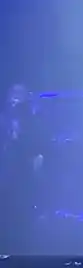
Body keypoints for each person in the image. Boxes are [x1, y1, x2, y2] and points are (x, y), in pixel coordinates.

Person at [0, 84, 44, 253]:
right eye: (14, 93)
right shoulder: (4, 117)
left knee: (22, 205)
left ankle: (23, 241)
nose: (16, 97)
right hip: (6, 166)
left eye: (20, 93)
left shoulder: (31, 117)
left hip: (23, 167)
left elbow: (37, 141)